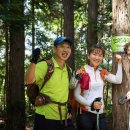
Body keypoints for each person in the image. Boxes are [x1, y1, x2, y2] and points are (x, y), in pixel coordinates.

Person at [25, 37, 75, 130]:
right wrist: (33, 61)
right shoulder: (45, 65)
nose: (65, 50)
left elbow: (66, 92)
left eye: (68, 47)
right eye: (62, 46)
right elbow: (28, 80)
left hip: (64, 118)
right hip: (45, 117)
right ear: (54, 49)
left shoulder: (68, 69)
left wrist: (69, 109)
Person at [73, 45, 122, 130]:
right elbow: (76, 95)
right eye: (94, 54)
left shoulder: (102, 72)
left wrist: (119, 63)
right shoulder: (81, 71)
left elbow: (118, 80)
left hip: (101, 114)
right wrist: (91, 104)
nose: (97, 57)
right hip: (85, 114)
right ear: (88, 56)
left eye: (100, 55)